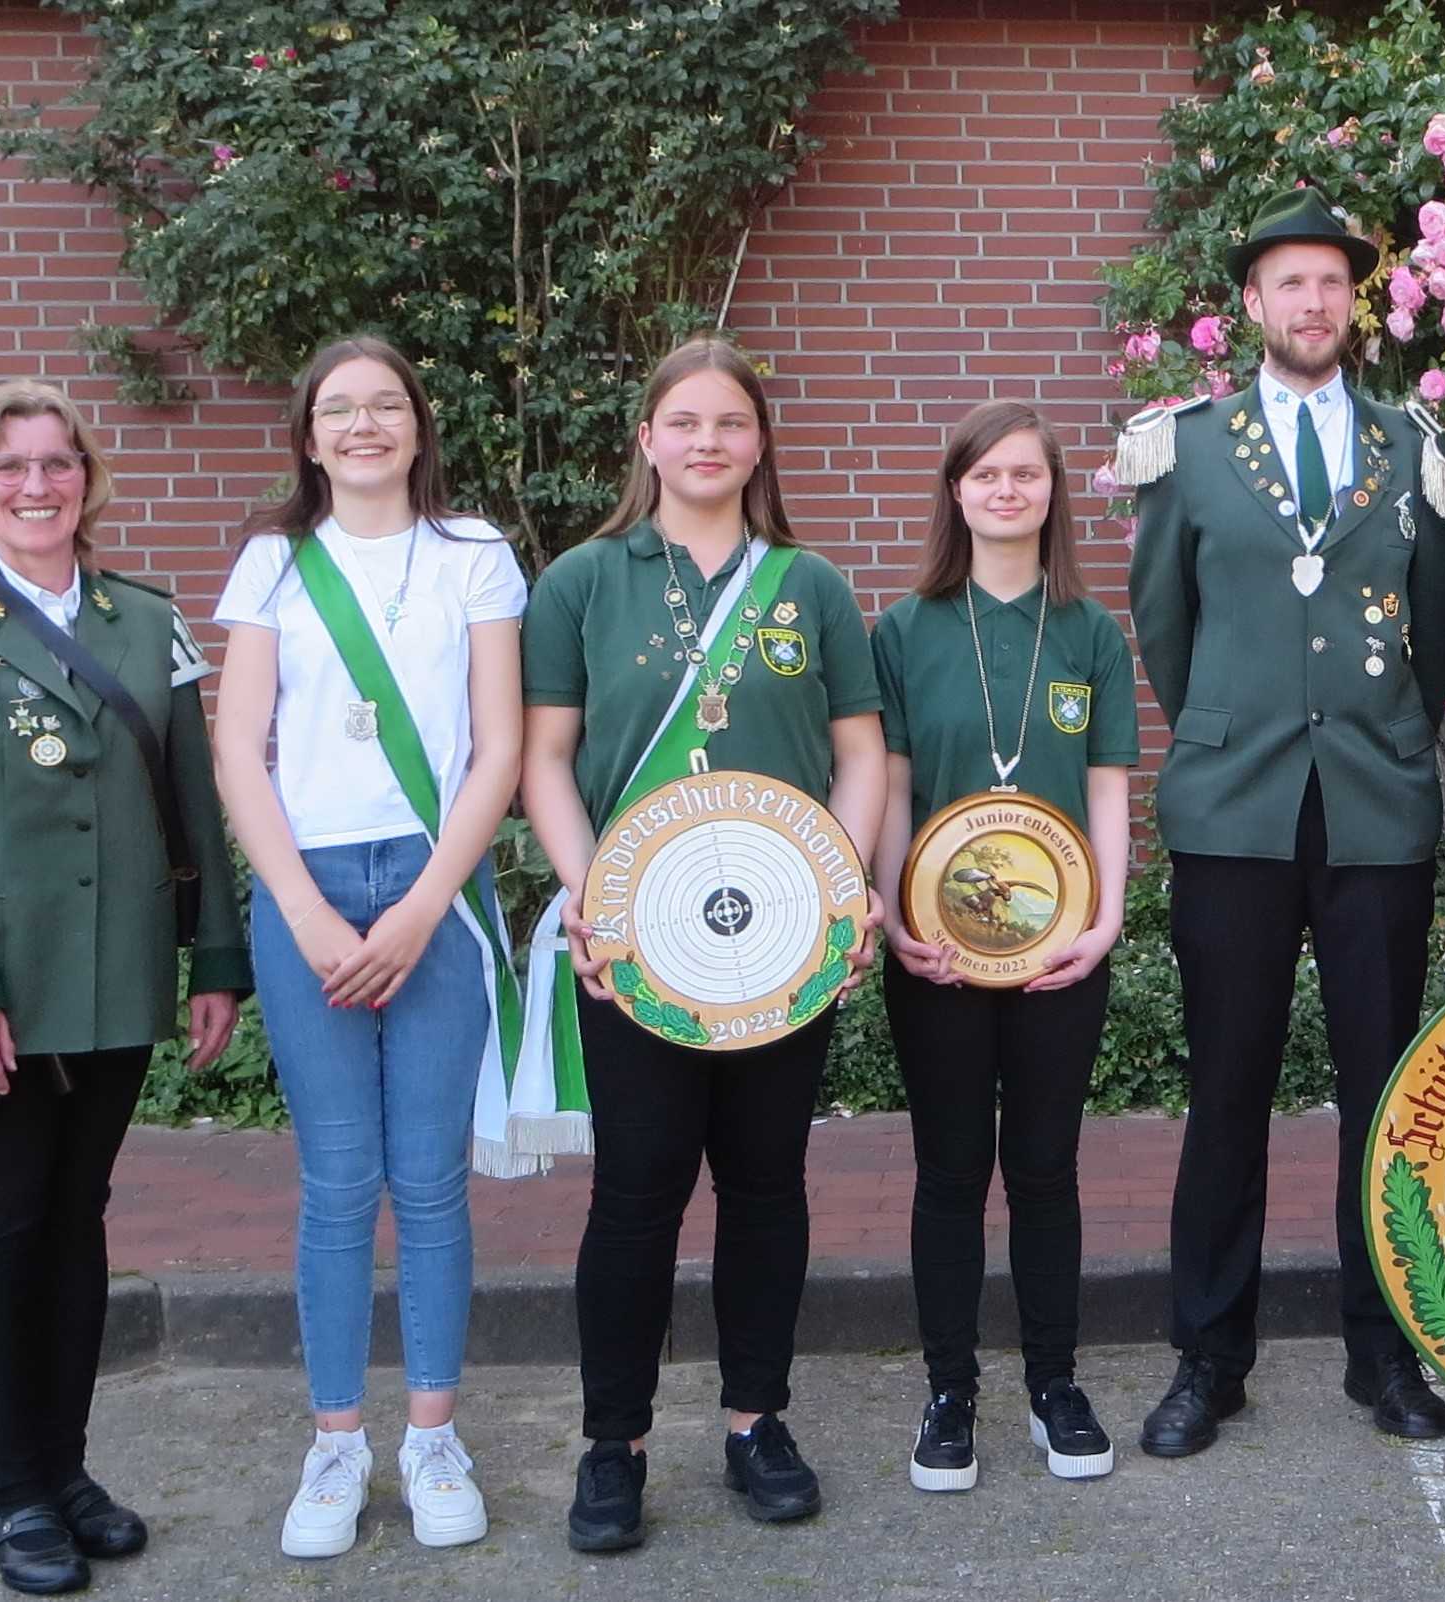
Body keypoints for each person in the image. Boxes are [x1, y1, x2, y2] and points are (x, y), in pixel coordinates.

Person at [0, 380, 245, 1595]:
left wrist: (214, 960)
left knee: (80, 1223)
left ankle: (67, 1474)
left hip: (114, 978)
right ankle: (16, 1494)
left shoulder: (146, 623)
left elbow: (193, 805)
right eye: (9, 465)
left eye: (57, 462)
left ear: (87, 479)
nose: (36, 484)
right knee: (4, 1222)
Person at [519, 338, 885, 1550]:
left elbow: (860, 755)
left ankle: (755, 1423)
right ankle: (612, 1446)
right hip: (636, 944)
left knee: (766, 1186)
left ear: (759, 441)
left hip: (782, 943)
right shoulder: (583, 581)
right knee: (635, 1193)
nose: (707, 442)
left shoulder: (811, 585)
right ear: (647, 438)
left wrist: (841, 892)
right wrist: (591, 897)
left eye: (730, 422)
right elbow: (547, 758)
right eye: (684, 422)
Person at [1120, 187, 1445, 1457]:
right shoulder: (1187, 447)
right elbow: (1165, 626)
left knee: (1386, 1095)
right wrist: (1235, 725)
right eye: (1289, 283)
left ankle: (1386, 1356)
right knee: (1227, 1092)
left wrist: (1372, 731)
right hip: (1235, 809)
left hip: (1374, 805)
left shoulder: (1410, 444)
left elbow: (1435, 632)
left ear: (1353, 302)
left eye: (1331, 282)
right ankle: (1209, 1360)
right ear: (1251, 304)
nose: (1312, 303)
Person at [210, 337, 527, 1558]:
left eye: (386, 404)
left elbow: (498, 747)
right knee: (339, 1182)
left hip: (436, 888)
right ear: (308, 436)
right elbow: (241, 748)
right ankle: (336, 1444)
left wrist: (421, 907)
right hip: (312, 886)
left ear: (418, 425)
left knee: (431, 1180)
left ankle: (433, 1439)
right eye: (338, 409)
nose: (363, 425)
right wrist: (301, 910)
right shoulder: (272, 562)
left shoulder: (474, 553)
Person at [875, 400, 1135, 1489]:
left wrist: (1106, 921)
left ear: (1051, 493)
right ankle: (949, 1395)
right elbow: (891, 789)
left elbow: (1109, 791)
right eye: (986, 475)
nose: (1006, 491)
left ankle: (1053, 1387)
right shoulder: (903, 630)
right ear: (956, 492)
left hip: (1058, 952)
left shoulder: (1090, 634)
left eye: (1026, 474)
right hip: (935, 957)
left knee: (1043, 1169)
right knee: (948, 1173)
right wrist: (891, 915)